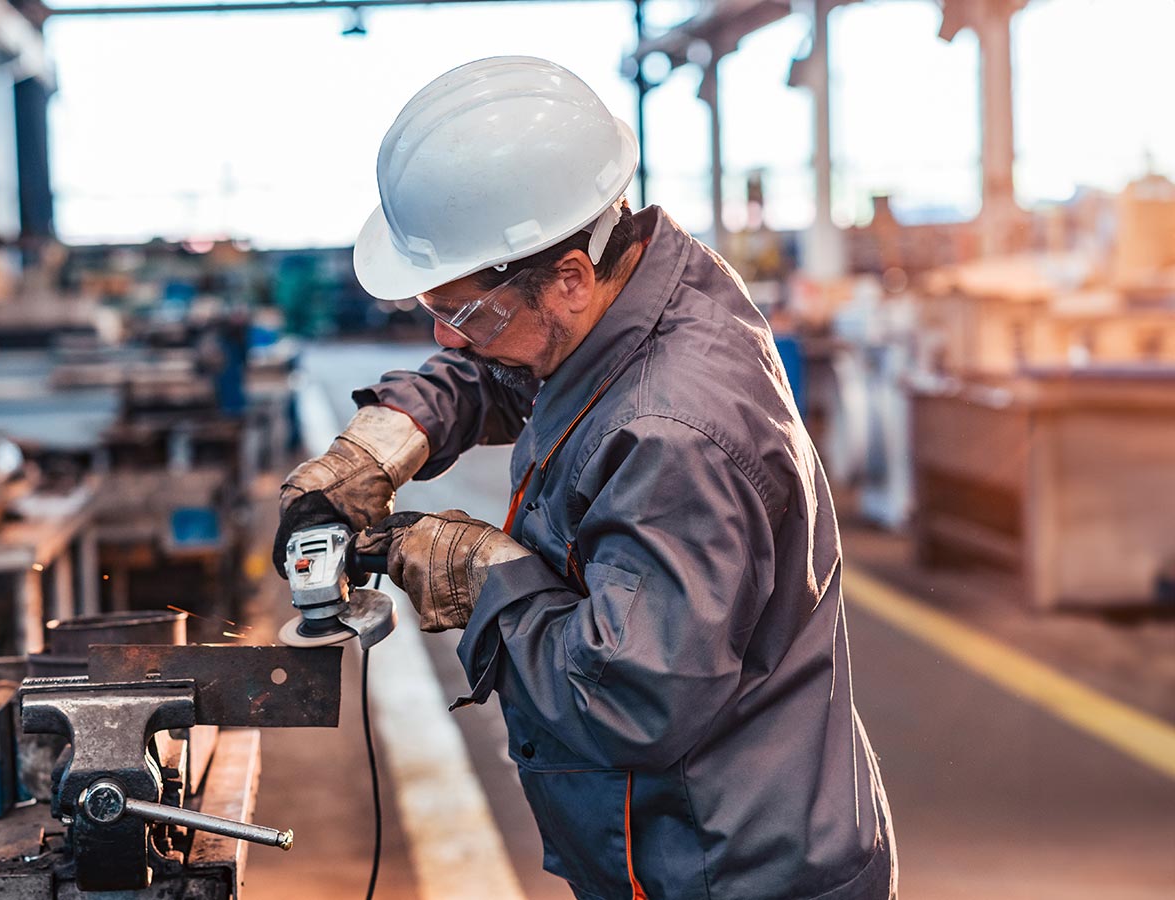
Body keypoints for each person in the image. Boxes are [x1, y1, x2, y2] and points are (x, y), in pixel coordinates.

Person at [275, 57, 896, 900]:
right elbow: (512, 368)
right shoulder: (638, 283)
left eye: (464, 314)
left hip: (725, 870)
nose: (449, 339)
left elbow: (626, 697)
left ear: (567, 274)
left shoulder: (676, 436)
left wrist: (474, 573)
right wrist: (381, 443)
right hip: (692, 843)